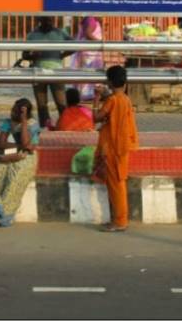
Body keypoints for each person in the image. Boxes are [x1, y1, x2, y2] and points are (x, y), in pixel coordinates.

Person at [0, 98, 40, 230]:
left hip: (27, 158)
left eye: (16, 111)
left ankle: (2, 217)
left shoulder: (33, 124)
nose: (12, 113)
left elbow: (27, 144)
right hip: (12, 153)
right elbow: (1, 144)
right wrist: (17, 148)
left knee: (14, 182)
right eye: (13, 109)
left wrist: (23, 122)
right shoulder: (7, 122)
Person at [92, 65, 139, 232]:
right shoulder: (124, 99)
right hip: (122, 146)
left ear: (110, 82)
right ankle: (120, 219)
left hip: (112, 147)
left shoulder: (112, 101)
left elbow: (96, 118)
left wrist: (96, 99)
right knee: (119, 183)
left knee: (116, 185)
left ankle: (120, 221)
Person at [24, 16, 71, 129]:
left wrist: (62, 55)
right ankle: (45, 128)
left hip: (56, 72)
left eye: (50, 20)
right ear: (39, 21)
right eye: (45, 20)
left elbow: (75, 45)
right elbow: (24, 55)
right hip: (38, 72)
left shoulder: (60, 33)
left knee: (61, 103)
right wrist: (32, 56)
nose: (48, 22)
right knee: (42, 104)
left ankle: (65, 126)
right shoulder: (32, 35)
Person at [67, 16, 103, 101]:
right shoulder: (91, 20)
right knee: (88, 73)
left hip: (87, 51)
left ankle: (81, 95)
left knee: (84, 73)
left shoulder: (88, 19)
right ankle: (85, 95)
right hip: (89, 53)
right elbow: (88, 33)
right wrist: (100, 43)